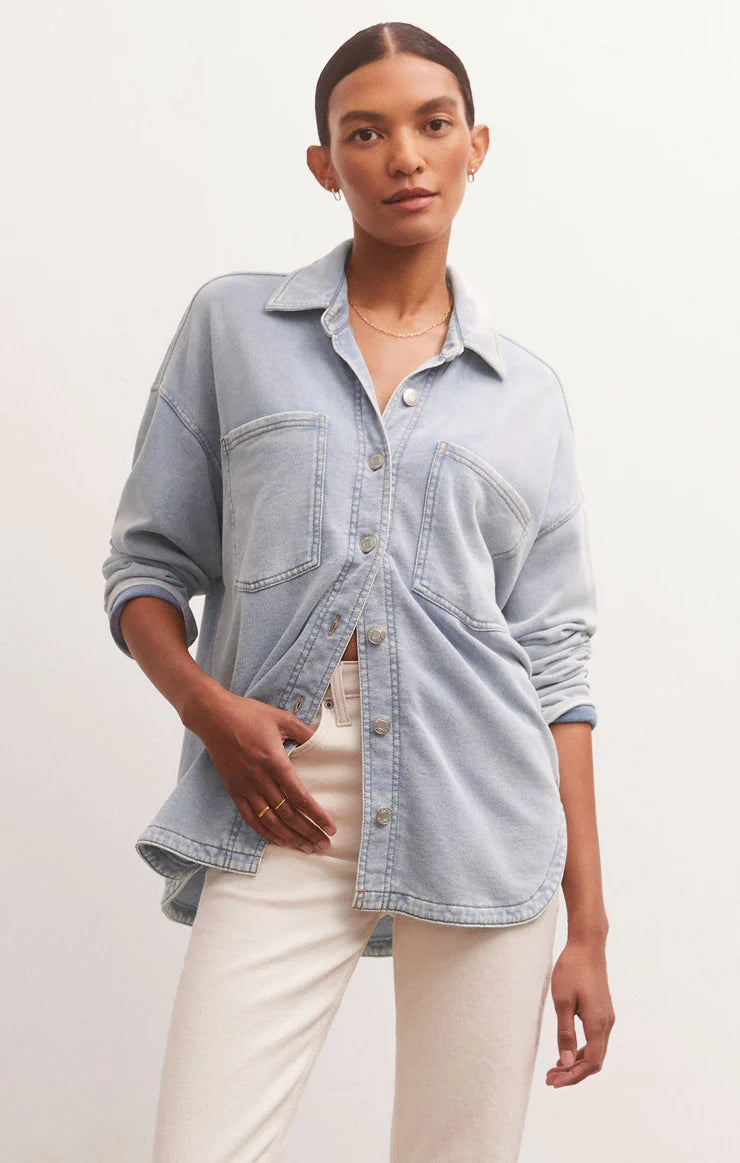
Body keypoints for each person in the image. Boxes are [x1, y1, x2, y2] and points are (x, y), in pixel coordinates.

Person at [102, 20, 615, 1163]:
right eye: (365, 133)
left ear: (476, 145)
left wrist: (586, 924)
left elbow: (555, 666)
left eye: (432, 125)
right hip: (276, 798)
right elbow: (146, 566)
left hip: (483, 809)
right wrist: (206, 708)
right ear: (322, 163)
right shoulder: (233, 328)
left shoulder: (526, 395)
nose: (403, 156)